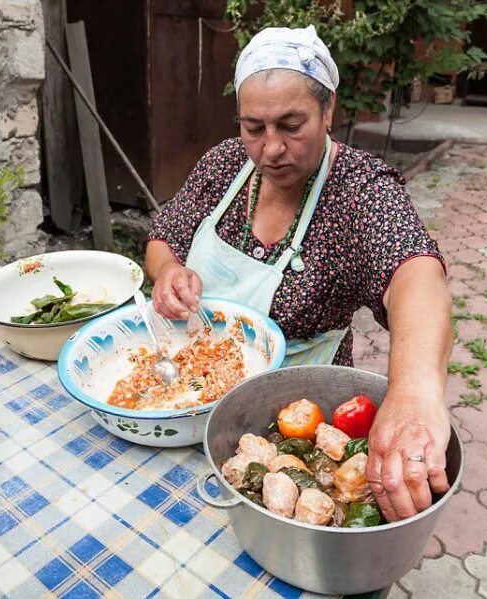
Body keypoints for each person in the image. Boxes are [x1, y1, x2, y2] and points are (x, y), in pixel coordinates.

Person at [144, 26, 453, 521]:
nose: (270, 149)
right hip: (185, 390)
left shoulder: (359, 191)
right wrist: (167, 272)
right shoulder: (223, 164)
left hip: (290, 424)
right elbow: (164, 236)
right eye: (253, 127)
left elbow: (417, 276)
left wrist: (414, 393)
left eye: (292, 125)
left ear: (328, 110)